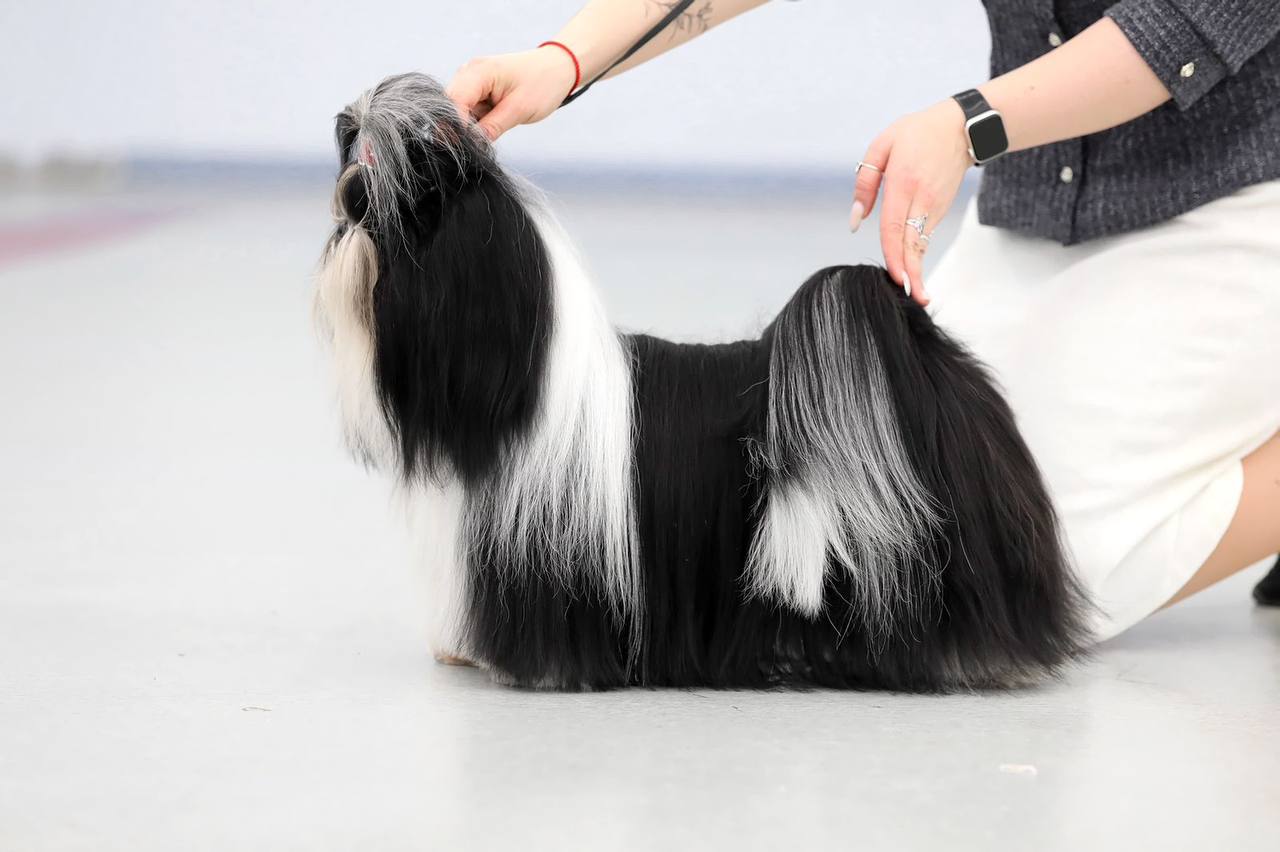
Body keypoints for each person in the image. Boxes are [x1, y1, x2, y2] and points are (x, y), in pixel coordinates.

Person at [445, 0, 1280, 637]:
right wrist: (566, 60)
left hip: (1243, 201)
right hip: (1042, 208)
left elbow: (1176, 26)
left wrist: (968, 123)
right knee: (922, 538)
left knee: (1052, 573)